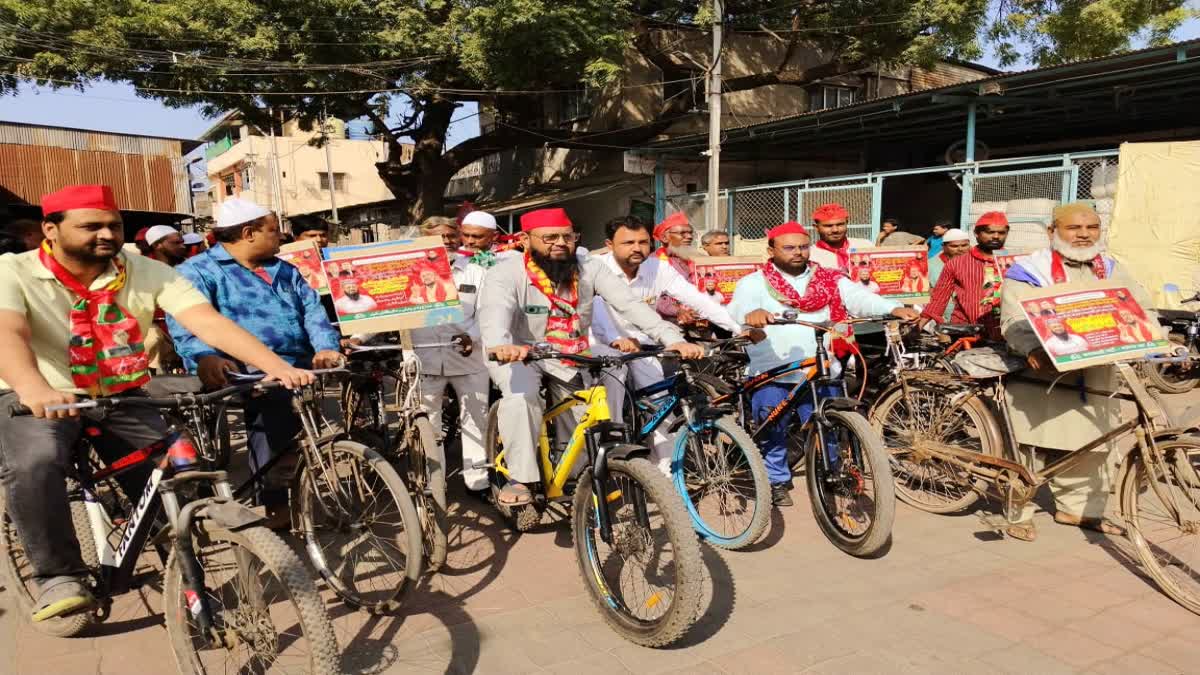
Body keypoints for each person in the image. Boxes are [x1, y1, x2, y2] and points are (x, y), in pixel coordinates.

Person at [0, 184, 313, 622]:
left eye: (113, 225)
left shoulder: (146, 271)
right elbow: (8, 333)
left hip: (119, 391)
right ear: (50, 230)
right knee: (36, 462)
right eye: (91, 226)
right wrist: (33, 388)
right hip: (35, 390)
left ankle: (183, 572)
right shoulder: (13, 270)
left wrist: (274, 366)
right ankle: (58, 575)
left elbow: (207, 322)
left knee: (177, 476)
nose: (106, 234)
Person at [480, 207, 703, 507]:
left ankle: (578, 477)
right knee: (522, 398)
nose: (560, 243)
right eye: (549, 237)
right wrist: (500, 345)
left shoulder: (589, 268)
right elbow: (495, 314)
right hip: (518, 352)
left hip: (570, 350)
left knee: (581, 415)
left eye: (567, 236)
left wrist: (672, 338)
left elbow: (630, 305)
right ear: (524, 239)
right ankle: (520, 477)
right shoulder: (505, 273)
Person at [167, 197, 343, 528]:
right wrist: (207, 356)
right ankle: (276, 504)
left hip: (296, 363)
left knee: (317, 418)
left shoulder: (285, 269)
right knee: (275, 418)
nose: (281, 237)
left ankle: (302, 488)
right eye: (274, 230)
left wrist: (324, 347)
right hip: (241, 369)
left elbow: (312, 312)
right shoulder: (198, 271)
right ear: (249, 233)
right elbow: (187, 323)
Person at [729, 222, 919, 506]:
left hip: (823, 366)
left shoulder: (829, 278)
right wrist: (752, 314)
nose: (798, 253)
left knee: (830, 426)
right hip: (773, 369)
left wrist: (891, 308)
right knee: (773, 429)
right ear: (771, 250)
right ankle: (776, 480)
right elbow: (738, 310)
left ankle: (831, 473)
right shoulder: (754, 282)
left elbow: (859, 298)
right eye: (789, 248)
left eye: (803, 247)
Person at [1000, 201, 1158, 541]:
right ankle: (1019, 512)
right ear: (1052, 232)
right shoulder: (1028, 270)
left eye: (1092, 228)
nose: (1084, 235)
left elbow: (1141, 305)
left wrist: (1153, 334)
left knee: (1094, 443)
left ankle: (1080, 510)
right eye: (1075, 228)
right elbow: (1013, 319)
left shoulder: (1112, 267)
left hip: (1097, 374)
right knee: (1028, 446)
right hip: (1043, 374)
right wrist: (1032, 347)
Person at [590, 217, 740, 473]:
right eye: (628, 242)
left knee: (661, 404)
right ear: (609, 245)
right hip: (602, 342)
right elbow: (595, 310)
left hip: (646, 342)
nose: (637, 248)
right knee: (613, 384)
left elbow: (697, 299)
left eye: (642, 242)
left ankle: (666, 474)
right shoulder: (595, 268)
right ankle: (610, 456)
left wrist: (737, 328)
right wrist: (614, 339)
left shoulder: (657, 268)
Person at [411, 216, 491, 493]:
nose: (445, 242)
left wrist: (474, 336)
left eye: (449, 236)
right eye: (437, 237)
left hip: (469, 357)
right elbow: (387, 312)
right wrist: (358, 336)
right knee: (428, 425)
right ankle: (435, 485)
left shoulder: (476, 271)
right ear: (423, 240)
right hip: (424, 358)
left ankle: (478, 482)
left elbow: (489, 312)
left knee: (476, 421)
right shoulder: (408, 272)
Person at [921, 214, 1011, 340]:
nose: (996, 236)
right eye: (990, 232)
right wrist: (918, 326)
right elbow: (939, 298)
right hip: (966, 333)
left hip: (1006, 333)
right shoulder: (956, 264)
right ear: (976, 233)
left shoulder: (1016, 263)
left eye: (1001, 232)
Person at [651, 212, 700, 325]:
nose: (689, 237)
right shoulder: (655, 262)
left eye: (690, 233)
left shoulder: (694, 258)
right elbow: (654, 297)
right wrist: (677, 310)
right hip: (669, 324)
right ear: (664, 237)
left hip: (700, 319)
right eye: (682, 233)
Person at [808, 203, 874, 275]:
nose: (835, 230)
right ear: (816, 227)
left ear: (847, 223)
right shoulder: (810, 256)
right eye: (828, 226)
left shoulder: (865, 246)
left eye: (840, 224)